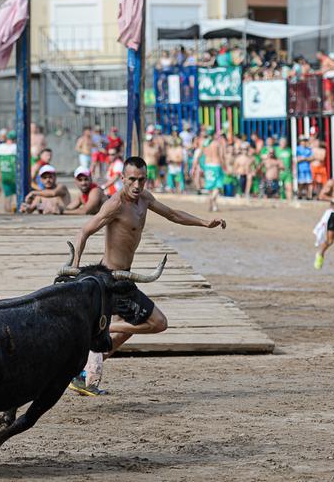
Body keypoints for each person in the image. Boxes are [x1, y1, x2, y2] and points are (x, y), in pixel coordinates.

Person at [67, 156, 226, 395]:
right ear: (122, 179)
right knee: (157, 323)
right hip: (111, 280)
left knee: (126, 331)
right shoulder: (115, 204)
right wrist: (75, 268)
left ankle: (86, 374)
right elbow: (84, 231)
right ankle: (102, 337)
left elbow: (173, 214)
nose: (136, 185)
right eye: (131, 179)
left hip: (126, 278)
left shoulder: (145, 199)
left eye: (141, 180)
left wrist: (204, 223)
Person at [198, 130, 225, 212]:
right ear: (214, 135)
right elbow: (221, 156)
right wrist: (225, 166)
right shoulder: (217, 144)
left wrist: (200, 165)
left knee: (210, 185)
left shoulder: (204, 143)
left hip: (207, 165)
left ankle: (214, 206)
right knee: (217, 185)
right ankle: (213, 199)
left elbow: (200, 155)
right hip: (216, 165)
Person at [0, 130, 18, 213]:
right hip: (14, 175)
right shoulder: (15, 147)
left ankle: (7, 213)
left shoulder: (0, 147)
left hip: (4, 174)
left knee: (7, 197)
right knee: (16, 197)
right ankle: (15, 215)